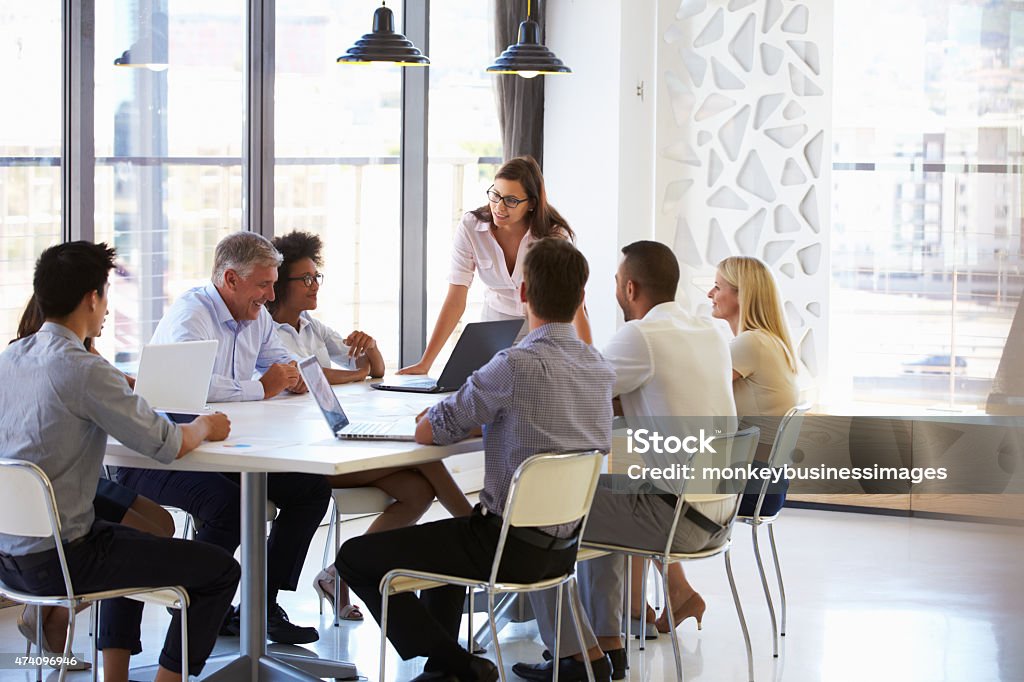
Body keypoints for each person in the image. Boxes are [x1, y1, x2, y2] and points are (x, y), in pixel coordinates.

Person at [336, 238, 616, 682]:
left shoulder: (513, 365)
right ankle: (444, 667)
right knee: (444, 552)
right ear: (582, 298)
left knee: (354, 557)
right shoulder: (599, 369)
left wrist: (448, 417)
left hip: (503, 545)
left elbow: (430, 430)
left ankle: (458, 663)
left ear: (522, 293)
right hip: (562, 548)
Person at [0, 241, 239, 682]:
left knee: (135, 529)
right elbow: (165, 443)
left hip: (10, 557)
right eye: (106, 295)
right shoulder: (83, 368)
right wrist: (205, 426)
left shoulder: (9, 358)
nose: (107, 308)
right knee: (222, 571)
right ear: (92, 297)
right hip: (66, 560)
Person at [514, 241, 738, 682]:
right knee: (603, 491)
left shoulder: (642, 336)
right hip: (719, 511)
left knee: (536, 513)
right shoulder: (710, 332)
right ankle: (609, 648)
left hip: (676, 517)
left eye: (617, 283)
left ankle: (572, 655)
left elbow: (573, 383)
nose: (616, 291)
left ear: (631, 288)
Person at [113, 232, 332, 645]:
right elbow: (189, 388)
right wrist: (260, 388)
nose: (270, 296)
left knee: (310, 490)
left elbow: (281, 362)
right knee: (227, 508)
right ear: (231, 279)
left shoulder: (258, 316)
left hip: (219, 447)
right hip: (162, 453)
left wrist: (293, 375)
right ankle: (194, 629)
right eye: (264, 285)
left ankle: (257, 607)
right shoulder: (191, 316)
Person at [269, 230, 473, 621]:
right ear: (281, 285)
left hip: (331, 438)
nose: (314, 286)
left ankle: (337, 575)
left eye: (316, 277)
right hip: (304, 455)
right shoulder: (266, 331)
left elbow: (375, 370)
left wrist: (372, 350)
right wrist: (355, 372)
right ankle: (474, 527)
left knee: (416, 491)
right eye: (305, 279)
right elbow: (311, 376)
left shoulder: (311, 326)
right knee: (425, 456)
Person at [11, 294, 177, 666]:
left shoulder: (66, 357)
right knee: (146, 536)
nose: (103, 313)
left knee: (162, 524)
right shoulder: (63, 363)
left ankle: (51, 612)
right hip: (60, 491)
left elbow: (119, 388)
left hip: (56, 485)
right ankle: (57, 609)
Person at [399, 156, 592, 375]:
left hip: (541, 327)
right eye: (496, 195)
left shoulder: (553, 236)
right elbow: (456, 297)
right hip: (495, 327)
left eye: (511, 200)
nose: (499, 207)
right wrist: (426, 363)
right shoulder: (472, 226)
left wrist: (588, 366)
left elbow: (575, 303)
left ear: (532, 204)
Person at [709, 255, 799, 516]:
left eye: (717, 286)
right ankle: (669, 555)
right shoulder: (770, 341)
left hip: (751, 486)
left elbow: (697, 390)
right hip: (769, 485)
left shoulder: (751, 343)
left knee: (643, 489)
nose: (709, 293)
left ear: (742, 295)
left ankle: (665, 553)